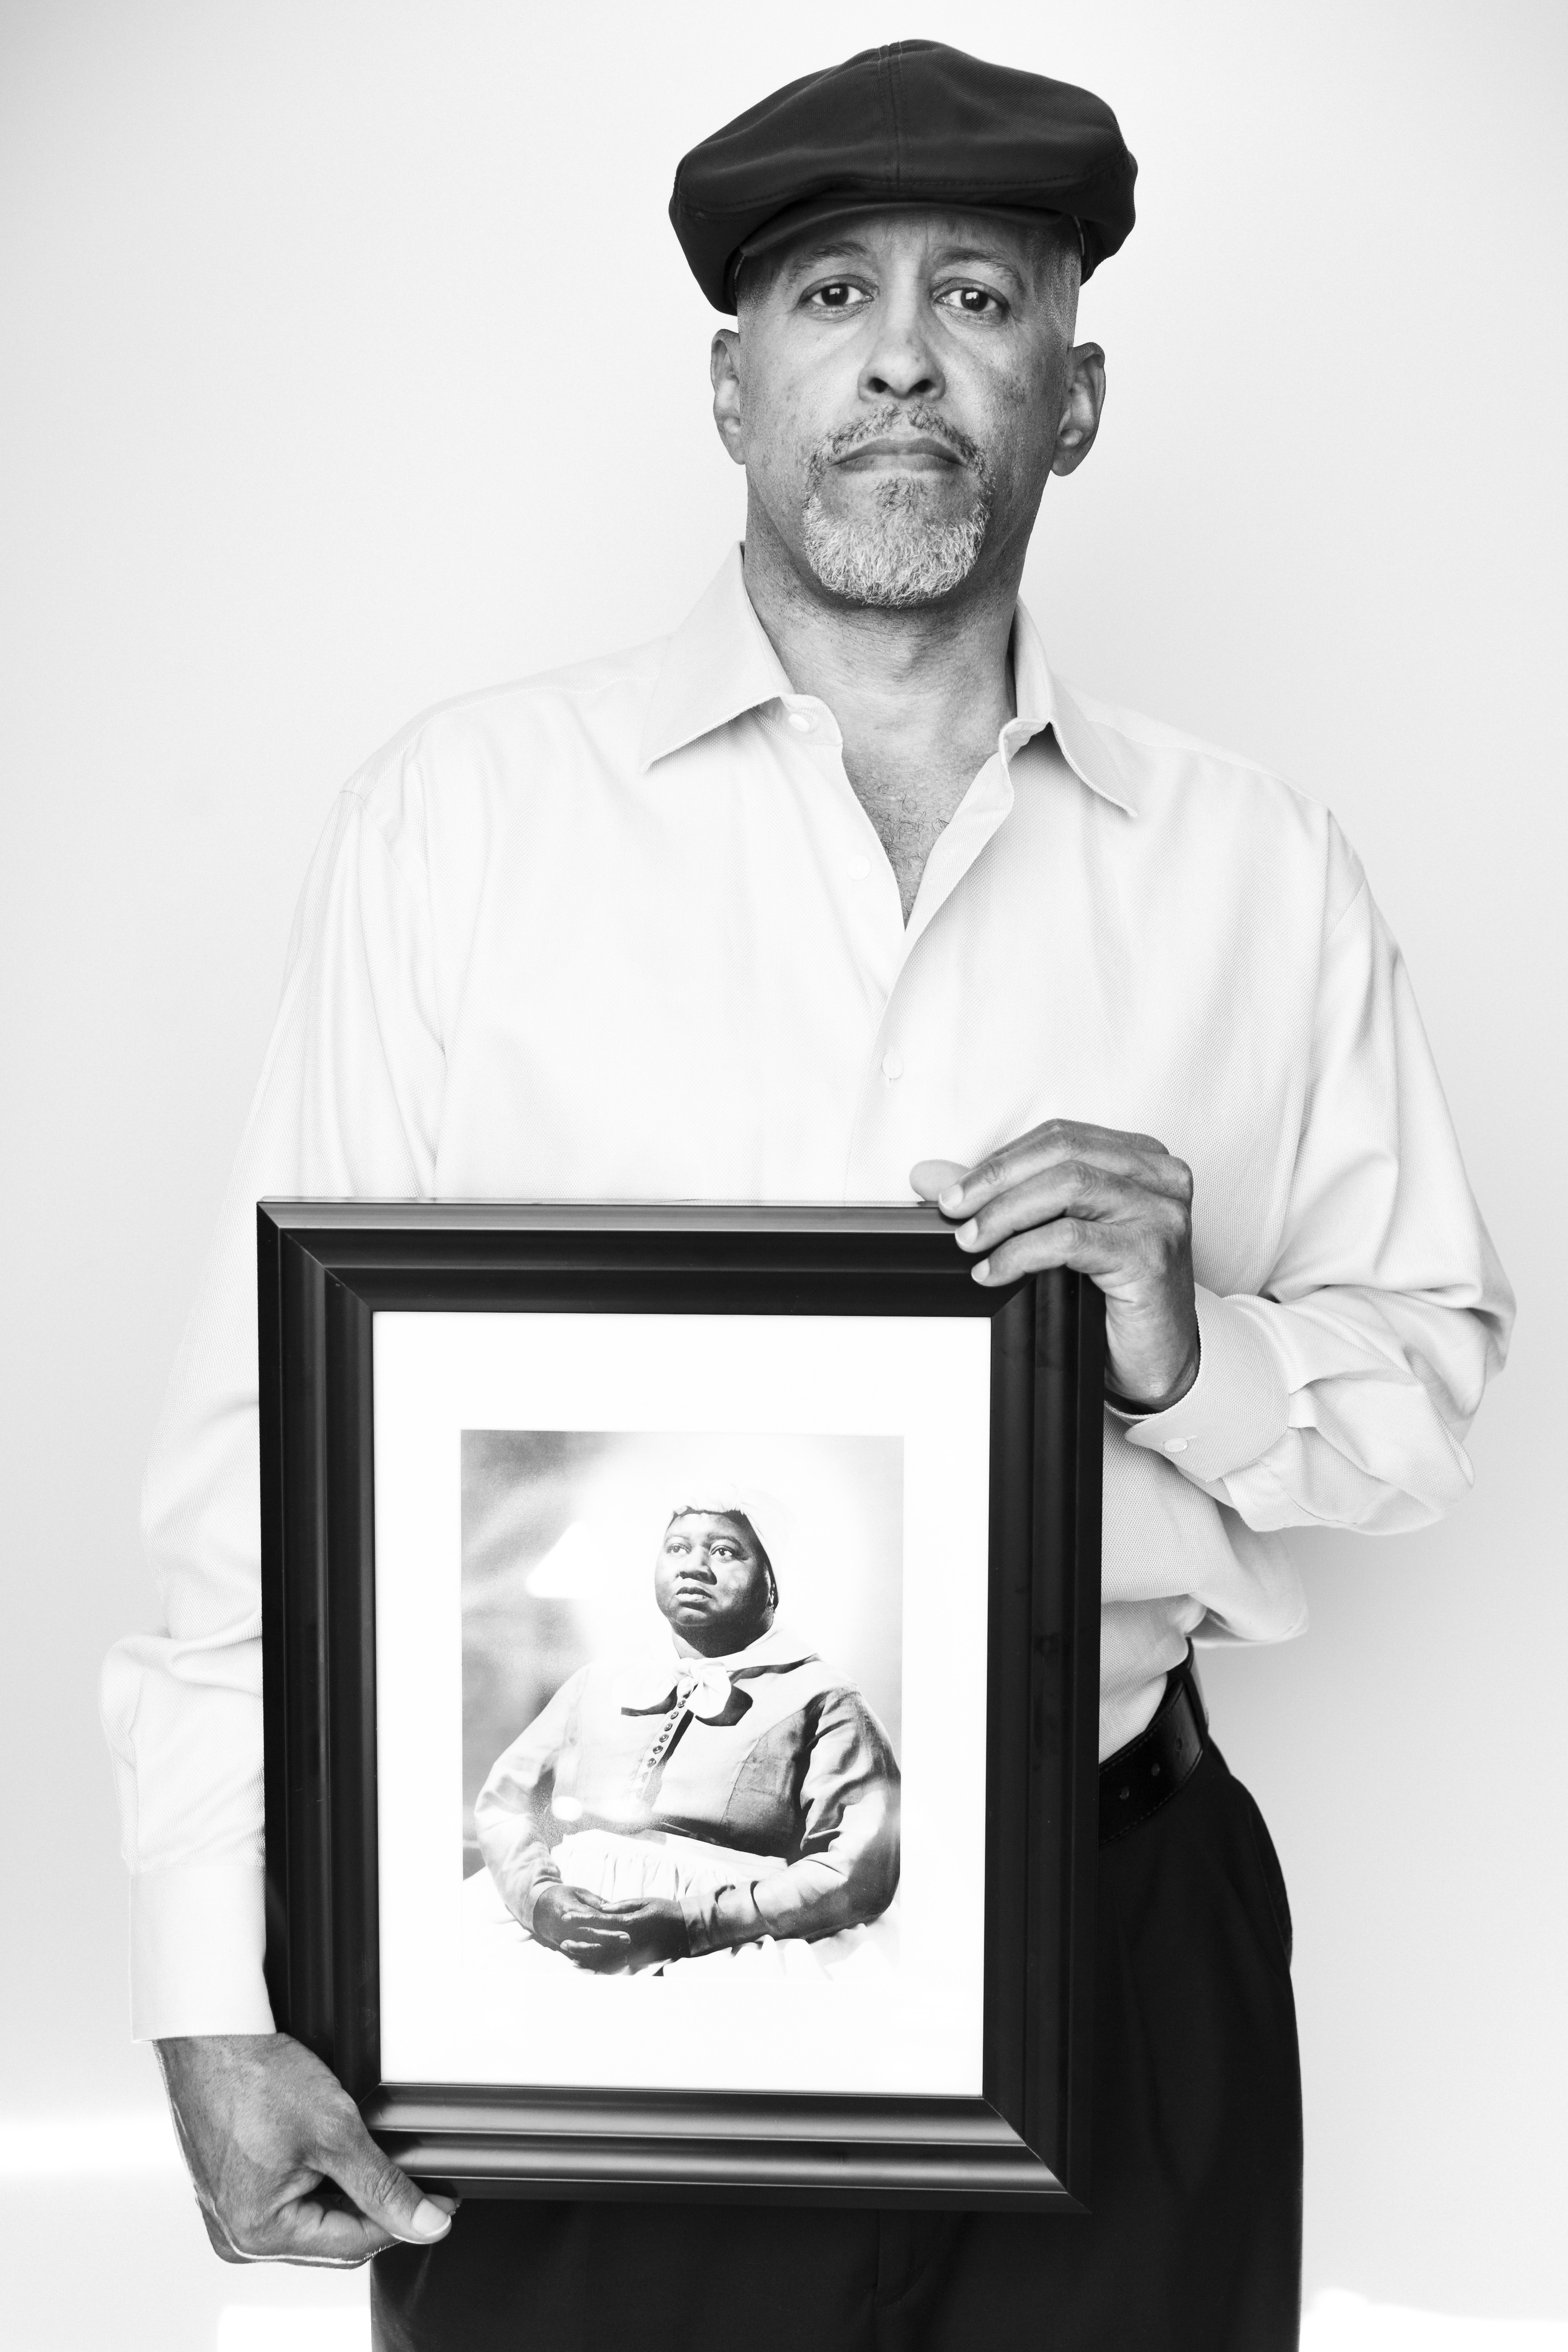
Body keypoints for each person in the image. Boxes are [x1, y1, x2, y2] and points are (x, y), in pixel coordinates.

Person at [101, 36, 1512, 2352]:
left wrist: (1186, 1344)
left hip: (1110, 1932)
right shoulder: (460, 828)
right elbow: (268, 1440)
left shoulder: (1253, 869)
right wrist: (204, 1965)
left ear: (1066, 395)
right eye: (828, 295)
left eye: (974, 295)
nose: (895, 356)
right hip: (581, 1962)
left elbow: (1428, 1391)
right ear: (730, 384)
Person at [472, 1499, 900, 1975]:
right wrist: (541, 1898)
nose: (695, 1566)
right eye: (677, 1548)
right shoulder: (600, 1681)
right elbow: (504, 1803)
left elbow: (859, 1872)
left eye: (724, 1552)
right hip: (566, 1921)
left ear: (773, 1583)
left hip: (730, 1940)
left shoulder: (824, 1697)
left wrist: (694, 1922)